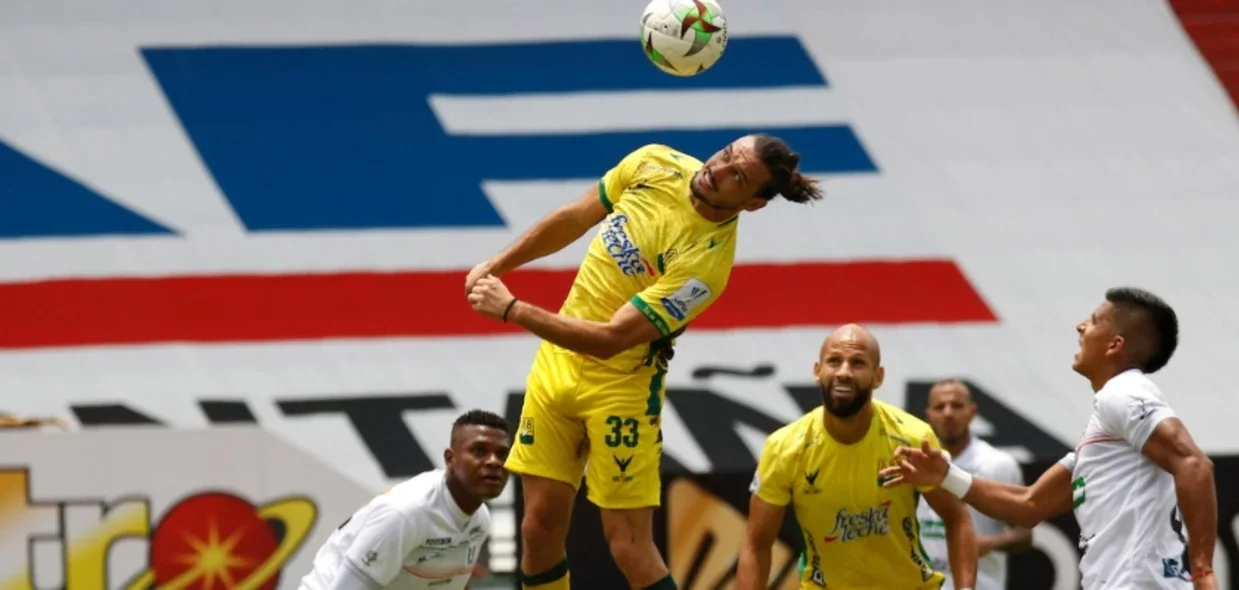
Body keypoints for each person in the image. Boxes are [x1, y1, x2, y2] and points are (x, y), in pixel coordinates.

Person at [465, 135, 824, 590]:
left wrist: (512, 309)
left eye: (737, 175)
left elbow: (611, 340)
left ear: (753, 203)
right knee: (537, 529)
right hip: (554, 367)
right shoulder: (653, 162)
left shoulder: (705, 266)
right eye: (728, 154)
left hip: (620, 388)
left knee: (629, 546)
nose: (719, 167)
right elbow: (575, 217)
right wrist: (498, 264)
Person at [881, 287, 1219, 589]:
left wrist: (1202, 570)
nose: (1081, 326)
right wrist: (944, 476)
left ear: (1116, 345)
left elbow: (1193, 464)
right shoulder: (1106, 432)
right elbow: (1028, 505)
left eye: (1095, 321)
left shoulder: (1125, 390)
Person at [736, 324, 978, 590]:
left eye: (858, 363)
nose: (844, 372)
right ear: (818, 371)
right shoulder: (784, 448)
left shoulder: (912, 437)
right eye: (834, 361)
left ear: (878, 376)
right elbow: (756, 545)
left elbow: (957, 517)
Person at [299, 410, 511, 590]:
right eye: (479, 451)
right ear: (450, 459)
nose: (494, 462)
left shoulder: (480, 519)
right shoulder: (406, 513)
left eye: (502, 454)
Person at [916, 379, 1032, 589]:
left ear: (972, 411)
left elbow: (1025, 534)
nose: (948, 413)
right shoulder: (915, 463)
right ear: (929, 415)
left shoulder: (998, 464)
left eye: (957, 405)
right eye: (940, 407)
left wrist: (990, 543)